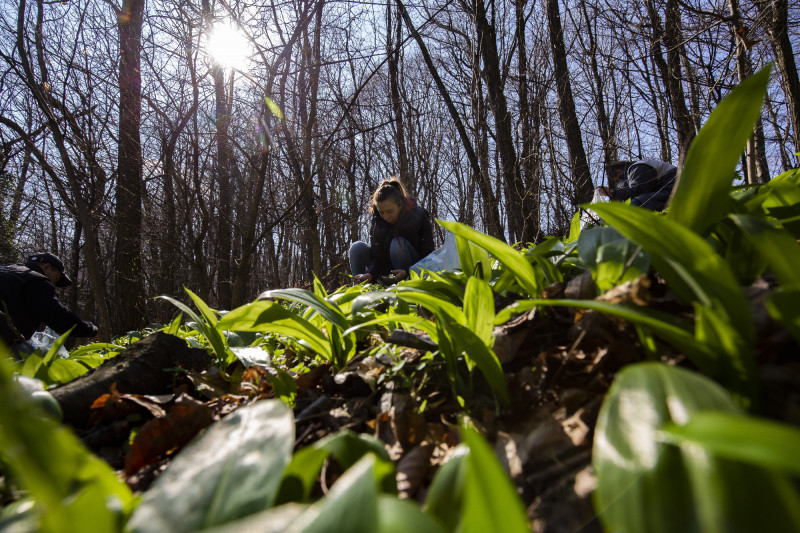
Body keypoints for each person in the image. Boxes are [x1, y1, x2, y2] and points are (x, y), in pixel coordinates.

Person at [0, 252, 98, 358]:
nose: (54, 284)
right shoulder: (36, 280)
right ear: (46, 267)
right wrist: (90, 329)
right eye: (55, 279)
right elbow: (58, 317)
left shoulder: (6, 269)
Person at [349, 179, 435, 284]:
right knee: (357, 248)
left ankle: (405, 291)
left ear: (400, 204)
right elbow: (378, 256)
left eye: (390, 211)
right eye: (381, 212)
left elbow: (428, 255)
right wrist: (370, 273)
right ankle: (358, 292)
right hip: (385, 274)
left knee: (397, 243)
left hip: (411, 274)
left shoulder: (419, 216)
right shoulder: (377, 223)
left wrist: (407, 272)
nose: (386, 217)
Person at [596, 159, 678, 211]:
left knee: (637, 204)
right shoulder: (638, 167)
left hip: (674, 188)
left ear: (618, 172)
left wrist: (612, 193)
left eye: (618, 180)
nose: (621, 183)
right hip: (669, 189)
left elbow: (638, 190)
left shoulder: (637, 168)